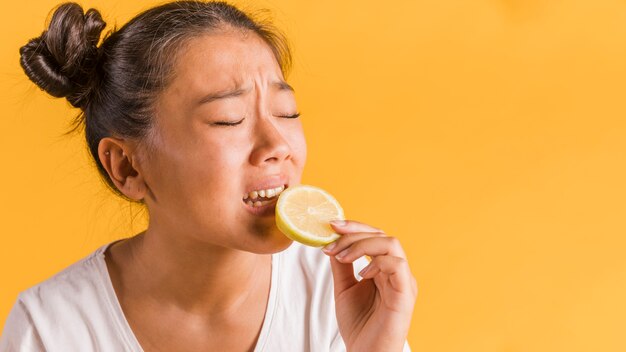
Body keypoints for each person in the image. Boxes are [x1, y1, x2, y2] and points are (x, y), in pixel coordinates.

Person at [1, 1, 417, 351]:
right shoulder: (50, 329)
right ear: (127, 166)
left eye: (286, 113)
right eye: (228, 119)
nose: (278, 144)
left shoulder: (343, 298)